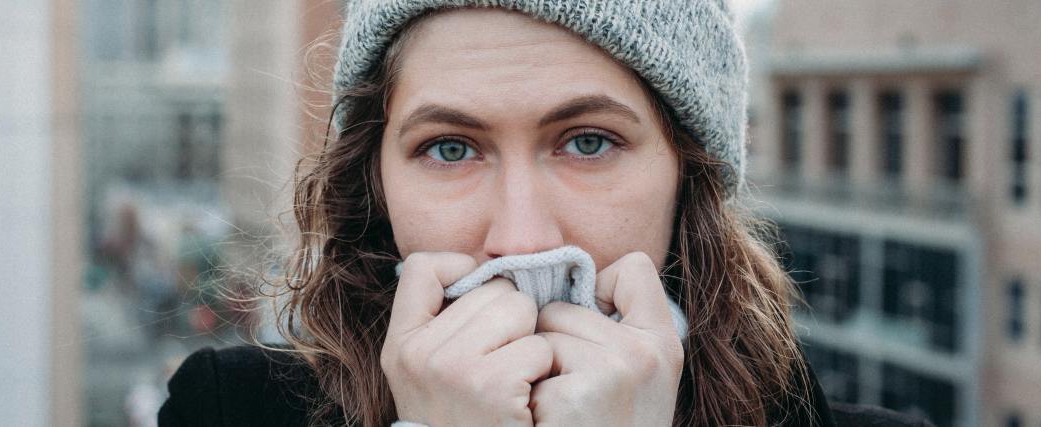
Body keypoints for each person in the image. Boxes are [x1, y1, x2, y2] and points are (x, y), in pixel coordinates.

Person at [159, 1, 933, 426]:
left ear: (689, 177)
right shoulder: (228, 413)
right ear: (376, 184)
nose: (523, 238)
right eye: (451, 149)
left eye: (587, 142)